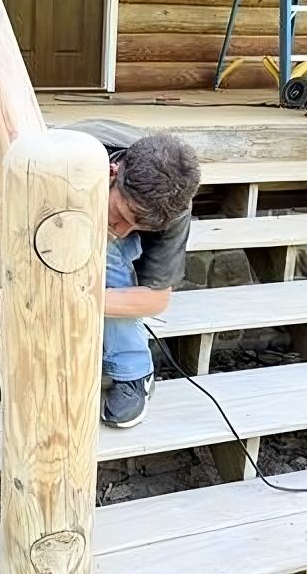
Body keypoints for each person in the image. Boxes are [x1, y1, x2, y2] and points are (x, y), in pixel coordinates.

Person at [68, 120, 201, 428]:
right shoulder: (68, 157)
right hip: (67, 194)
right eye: (124, 215)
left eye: (139, 227)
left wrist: (76, 298)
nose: (123, 230)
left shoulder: (172, 203)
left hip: (113, 198)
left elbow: (155, 300)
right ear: (112, 174)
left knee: (110, 246)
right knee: (105, 238)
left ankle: (133, 371)